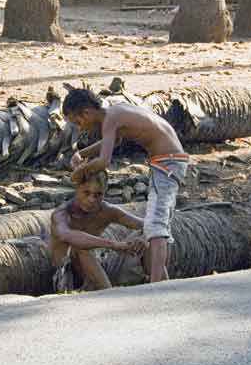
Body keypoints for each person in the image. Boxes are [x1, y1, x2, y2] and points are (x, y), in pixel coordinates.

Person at [62, 88, 189, 283]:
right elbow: (114, 141)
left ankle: (158, 287)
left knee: (156, 226)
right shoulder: (115, 113)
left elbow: (104, 160)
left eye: (78, 122)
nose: (80, 128)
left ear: (86, 112)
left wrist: (78, 173)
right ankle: (162, 281)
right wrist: (83, 154)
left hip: (168, 162)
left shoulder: (111, 119)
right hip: (167, 161)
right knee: (155, 223)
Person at [51, 169, 146, 291]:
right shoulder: (62, 214)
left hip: (96, 268)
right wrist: (114, 245)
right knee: (81, 250)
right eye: (86, 193)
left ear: (104, 192)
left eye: (98, 195)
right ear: (77, 189)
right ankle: (108, 294)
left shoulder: (107, 210)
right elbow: (67, 236)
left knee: (150, 237)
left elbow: (148, 225)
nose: (91, 200)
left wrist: (143, 239)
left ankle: (156, 283)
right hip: (65, 275)